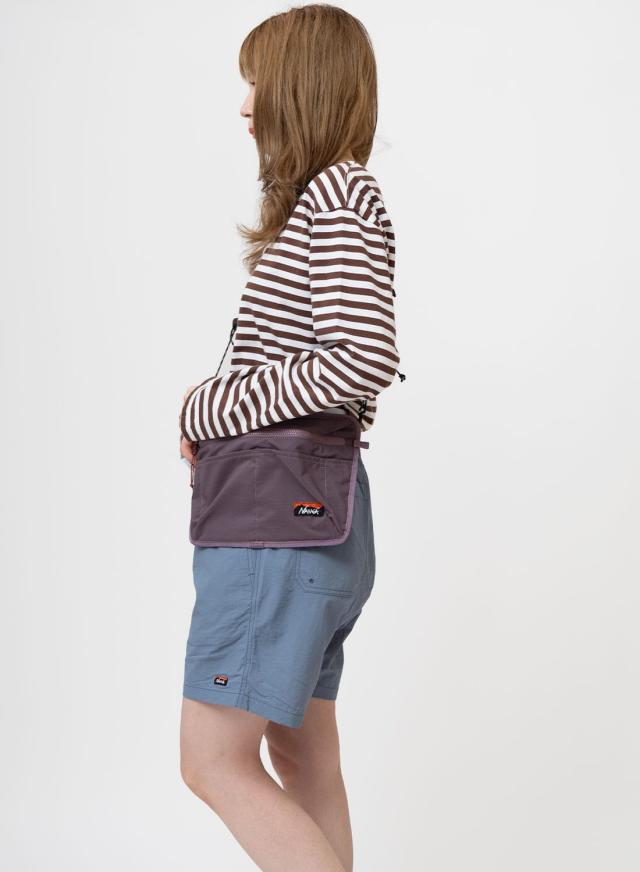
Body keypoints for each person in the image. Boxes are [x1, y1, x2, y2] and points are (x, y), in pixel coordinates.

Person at [178, 5, 403, 870]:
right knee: (302, 756)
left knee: (212, 759)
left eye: (259, 81)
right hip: (314, 523)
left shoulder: (338, 194)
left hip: (279, 526)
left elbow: (358, 359)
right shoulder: (334, 198)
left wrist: (206, 408)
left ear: (302, 85)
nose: (245, 104)